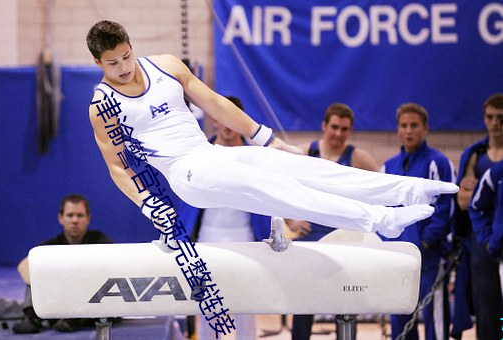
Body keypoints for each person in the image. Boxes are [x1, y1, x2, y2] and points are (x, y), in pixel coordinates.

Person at [86, 20, 457, 247]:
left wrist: (266, 138)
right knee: (280, 191)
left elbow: (215, 103)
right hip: (186, 174)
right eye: (112, 63)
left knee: (303, 168)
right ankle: (380, 220)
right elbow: (119, 168)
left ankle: (406, 189)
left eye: (126, 56)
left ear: (132, 46)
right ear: (98, 63)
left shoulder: (165, 65)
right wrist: (152, 207)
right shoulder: (102, 106)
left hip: (212, 155)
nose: (122, 67)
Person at [178, 96, 271, 339]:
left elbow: (269, 199)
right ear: (214, 121)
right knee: (208, 306)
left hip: (247, 239)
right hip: (206, 239)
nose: (228, 126)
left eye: (233, 120)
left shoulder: (256, 160)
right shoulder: (198, 155)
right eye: (222, 119)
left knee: (245, 307)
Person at [288, 102, 379, 340]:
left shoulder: (358, 158)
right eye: (334, 127)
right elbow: (278, 189)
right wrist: (290, 219)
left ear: (350, 131)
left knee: (346, 301)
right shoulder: (304, 152)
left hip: (344, 240)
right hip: (310, 235)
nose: (338, 134)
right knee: (303, 302)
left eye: (344, 129)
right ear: (324, 126)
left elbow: (382, 192)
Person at [380, 103, 455, 340]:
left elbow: (445, 209)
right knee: (400, 321)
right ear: (398, 130)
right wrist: (388, 243)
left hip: (429, 257)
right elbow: (381, 209)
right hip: (398, 259)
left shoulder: (438, 163)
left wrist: (425, 241)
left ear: (425, 129)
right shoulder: (388, 167)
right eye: (404, 126)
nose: (409, 131)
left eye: (414, 125)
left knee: (435, 320)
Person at [12, 194, 113, 334]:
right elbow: (24, 266)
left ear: (88, 218)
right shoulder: (50, 246)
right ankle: (31, 318)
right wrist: (53, 283)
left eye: (80, 215)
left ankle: (73, 319)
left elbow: (111, 270)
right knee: (35, 270)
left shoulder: (101, 242)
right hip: (58, 297)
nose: (75, 221)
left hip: (89, 301)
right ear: (61, 218)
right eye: (70, 215)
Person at [453, 93, 503, 340]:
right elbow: (462, 202)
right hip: (482, 238)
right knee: (486, 304)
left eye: (500, 118)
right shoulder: (475, 154)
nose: (495, 123)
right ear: (484, 119)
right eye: (490, 117)